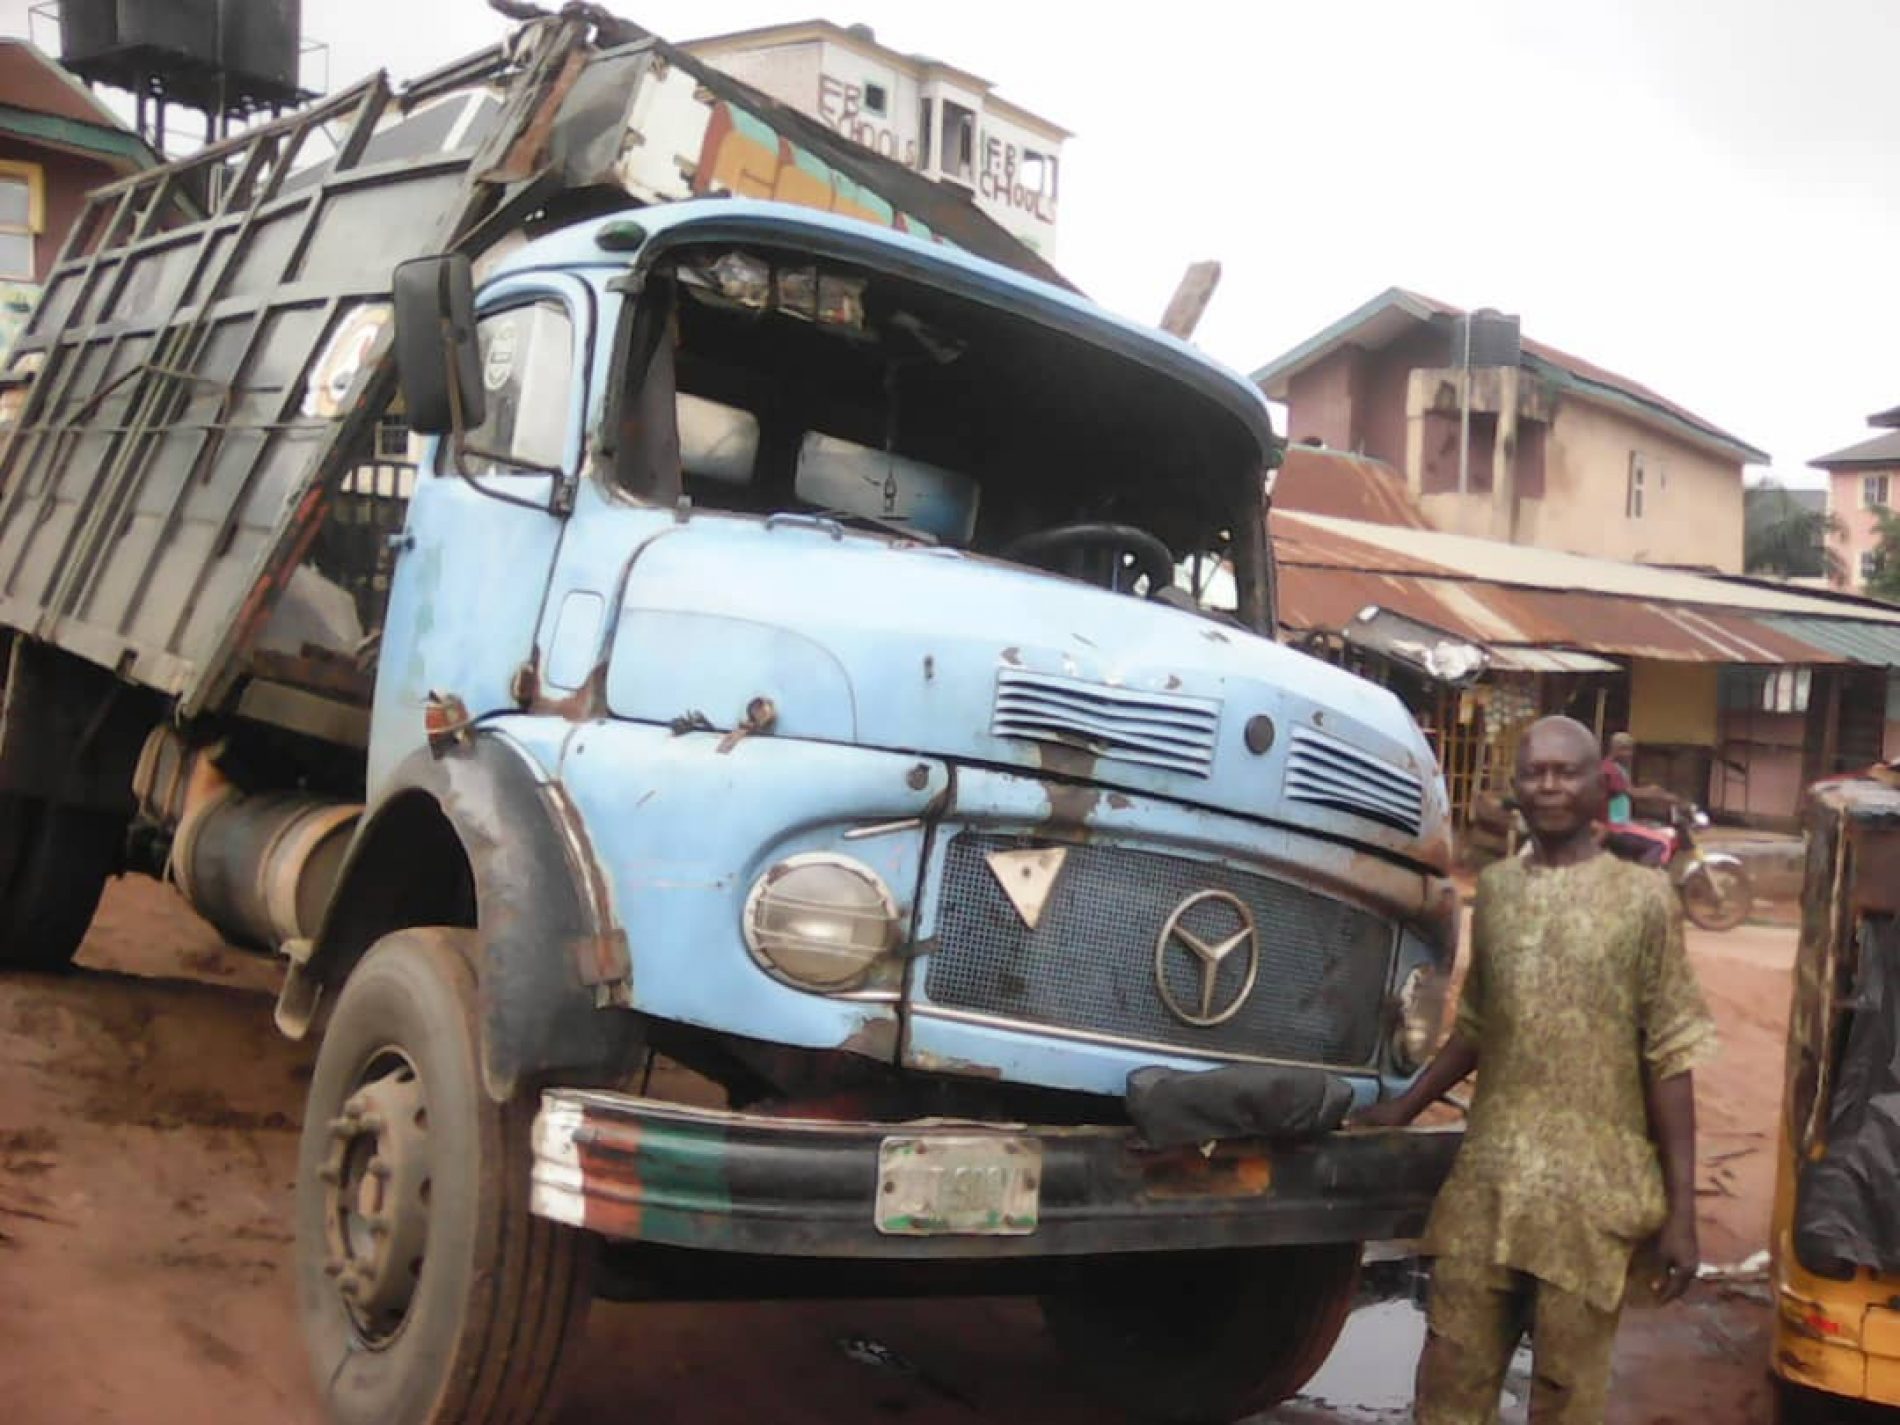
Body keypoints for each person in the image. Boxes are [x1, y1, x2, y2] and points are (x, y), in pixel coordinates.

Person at [1355, 716, 1717, 1423]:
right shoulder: (1498, 892)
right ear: (1516, 787)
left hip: (1593, 1198)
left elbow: (1671, 1052)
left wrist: (1683, 1212)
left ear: (1598, 786)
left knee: (1566, 1395)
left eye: (1566, 771)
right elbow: (1478, 1025)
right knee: (1449, 1382)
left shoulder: (1643, 899)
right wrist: (1404, 1105)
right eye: (1534, 772)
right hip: (1490, 1188)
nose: (1549, 785)